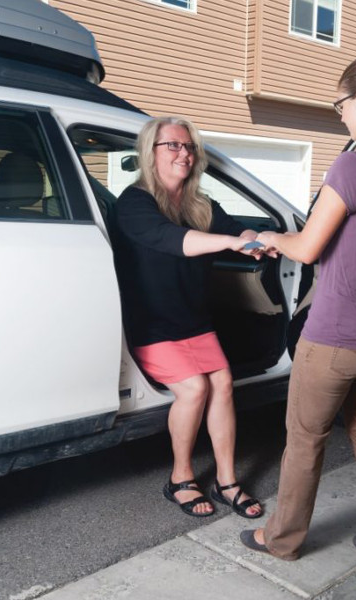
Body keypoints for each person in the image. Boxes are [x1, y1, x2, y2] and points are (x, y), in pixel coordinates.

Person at [239, 54, 356, 573]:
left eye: (340, 105)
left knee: (304, 439)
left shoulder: (354, 164)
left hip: (339, 334)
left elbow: (306, 248)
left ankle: (281, 539)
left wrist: (268, 236)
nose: (340, 114)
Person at [114, 116, 263, 519]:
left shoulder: (199, 204)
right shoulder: (134, 203)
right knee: (195, 389)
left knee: (223, 385)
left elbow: (238, 230)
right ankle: (180, 478)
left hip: (192, 321)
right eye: (173, 145)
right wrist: (230, 242)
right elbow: (176, 241)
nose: (184, 153)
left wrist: (255, 240)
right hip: (152, 324)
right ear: (151, 152)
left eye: (189, 147)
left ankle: (227, 482)